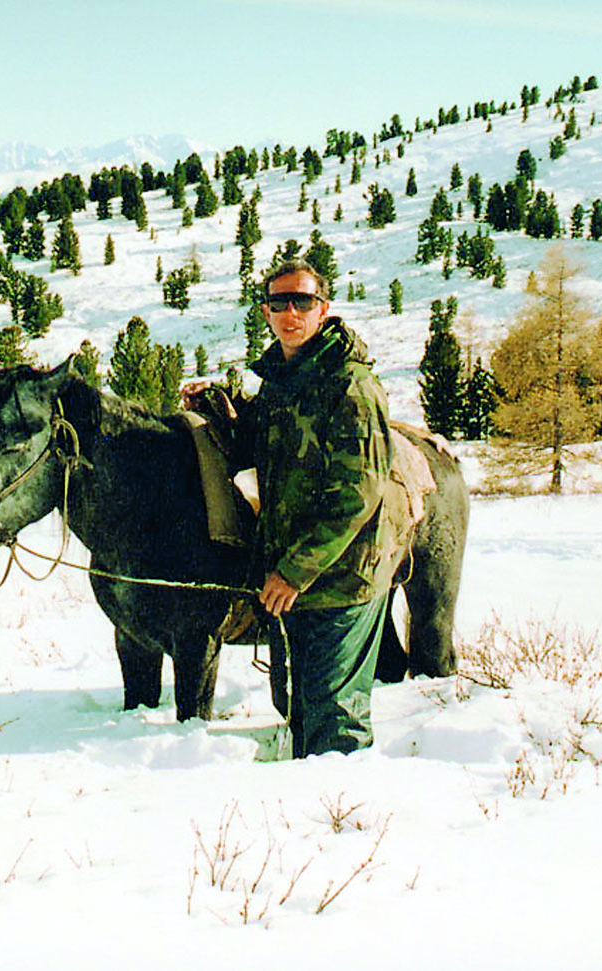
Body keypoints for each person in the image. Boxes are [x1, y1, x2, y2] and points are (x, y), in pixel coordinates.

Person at [205, 258, 402, 758]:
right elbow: (260, 446)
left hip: (339, 579)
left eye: (303, 301)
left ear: (324, 309)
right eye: (279, 302)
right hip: (291, 582)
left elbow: (357, 494)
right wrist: (218, 408)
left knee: (333, 720)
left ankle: (343, 821)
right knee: (292, 701)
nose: (290, 312)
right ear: (266, 311)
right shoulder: (280, 380)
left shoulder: (350, 386)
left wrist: (293, 571)